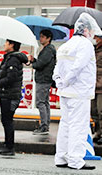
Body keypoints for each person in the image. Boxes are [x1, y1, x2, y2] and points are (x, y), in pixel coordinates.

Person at [53, 13, 102, 170]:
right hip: (80, 93)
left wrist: (61, 83)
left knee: (65, 124)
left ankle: (61, 157)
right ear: (86, 29)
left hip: (65, 93)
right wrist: (67, 80)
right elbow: (78, 67)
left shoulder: (66, 44)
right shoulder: (85, 45)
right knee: (78, 126)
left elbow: (57, 68)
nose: (93, 35)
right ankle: (76, 160)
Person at [0, 39, 28, 156]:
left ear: (12, 45)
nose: (4, 44)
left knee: (7, 120)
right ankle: (7, 145)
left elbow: (11, 77)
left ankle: (9, 147)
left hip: (9, 95)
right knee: (6, 120)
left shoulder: (13, 59)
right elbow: (7, 73)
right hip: (8, 94)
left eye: (6, 43)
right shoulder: (10, 57)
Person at [28, 29, 56, 135]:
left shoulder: (48, 50)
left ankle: (44, 126)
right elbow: (41, 62)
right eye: (40, 36)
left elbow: (40, 65)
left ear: (48, 38)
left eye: (43, 37)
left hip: (44, 79)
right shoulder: (47, 49)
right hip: (45, 79)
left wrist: (33, 63)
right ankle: (45, 124)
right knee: (44, 102)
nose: (41, 38)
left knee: (40, 102)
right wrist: (34, 60)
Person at [92, 35, 102, 145]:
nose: (95, 38)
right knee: (93, 110)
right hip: (93, 84)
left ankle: (101, 133)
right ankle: (97, 132)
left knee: (100, 110)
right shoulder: (93, 48)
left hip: (100, 83)